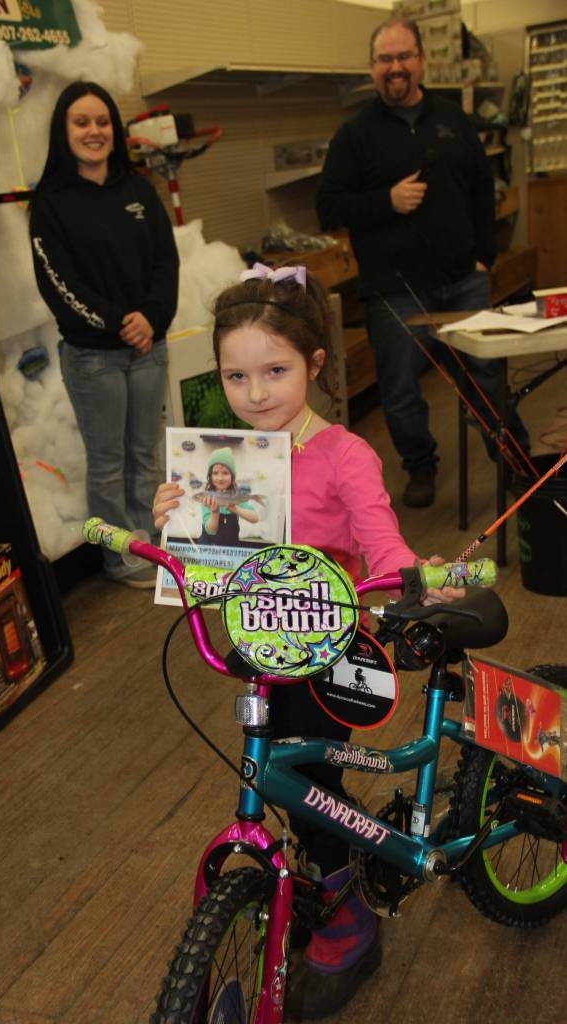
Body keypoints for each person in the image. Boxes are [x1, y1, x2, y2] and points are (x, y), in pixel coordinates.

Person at [152, 264, 463, 1020]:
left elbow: (377, 537)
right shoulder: (222, 457)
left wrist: (408, 576)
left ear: (315, 365)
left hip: (327, 646)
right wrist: (171, 519)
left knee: (314, 784)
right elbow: (205, 560)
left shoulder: (343, 454)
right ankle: (319, 878)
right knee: (278, 778)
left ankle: (346, 915)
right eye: (235, 375)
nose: (255, 393)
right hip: (260, 644)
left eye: (275, 371)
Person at [316, 18, 529, 509]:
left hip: (462, 281)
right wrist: (386, 201)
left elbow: (481, 189)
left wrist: (483, 258)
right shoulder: (355, 136)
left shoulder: (454, 120)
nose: (396, 67)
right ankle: (421, 466)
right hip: (394, 290)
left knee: (486, 375)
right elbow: (329, 207)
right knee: (400, 389)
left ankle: (515, 461)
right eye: (385, 59)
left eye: (404, 56)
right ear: (372, 68)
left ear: (420, 61)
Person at [30, 81, 179, 587]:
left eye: (101, 122)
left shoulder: (138, 190)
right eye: (81, 122)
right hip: (95, 357)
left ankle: (154, 547)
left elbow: (166, 261)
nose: (94, 131)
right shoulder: (50, 203)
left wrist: (152, 317)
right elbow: (59, 283)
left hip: (148, 348)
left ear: (114, 129)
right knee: (109, 463)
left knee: (146, 454)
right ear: (64, 131)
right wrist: (122, 322)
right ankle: (119, 556)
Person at [198, 446, 259, 545]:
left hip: (232, 550)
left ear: (232, 477)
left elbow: (255, 518)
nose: (220, 477)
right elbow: (211, 531)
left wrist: (236, 509)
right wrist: (214, 512)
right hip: (209, 550)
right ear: (210, 476)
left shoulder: (236, 496)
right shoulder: (207, 499)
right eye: (215, 473)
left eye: (225, 473)